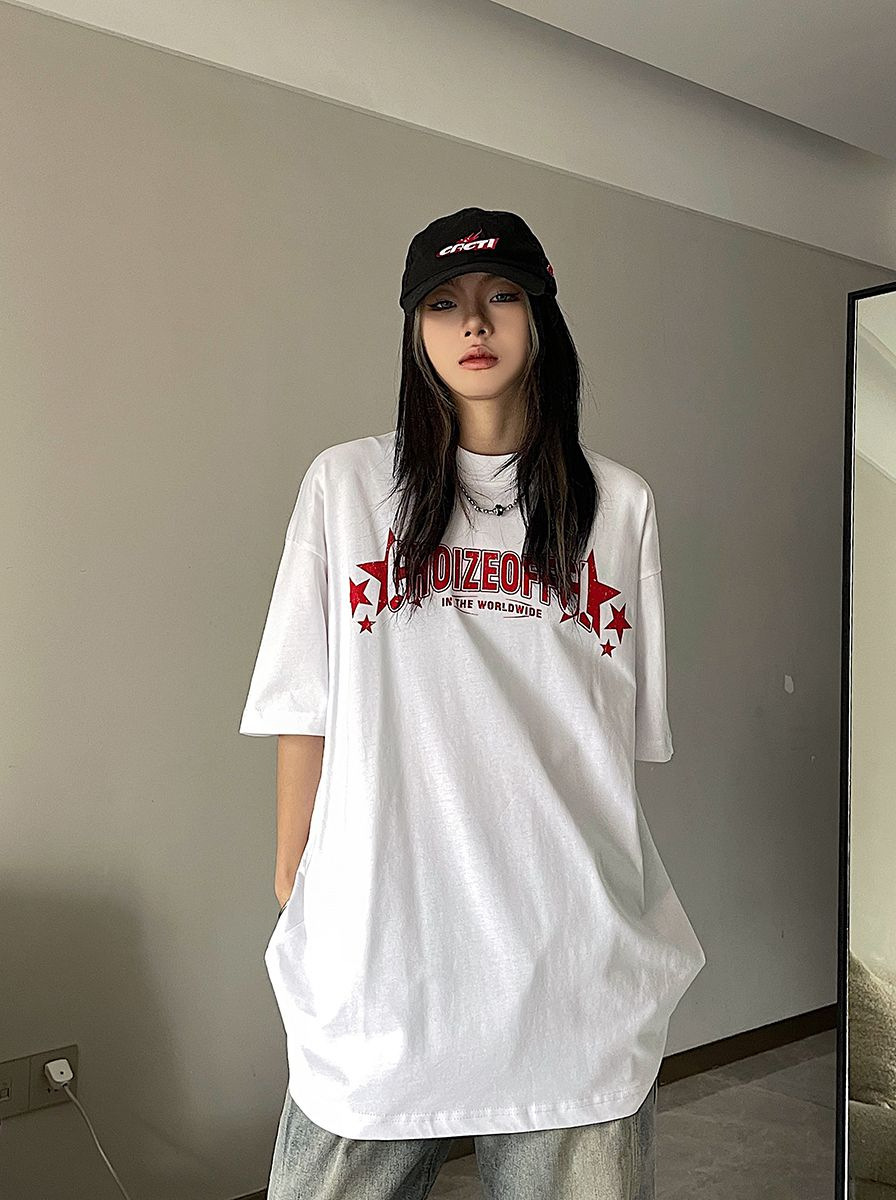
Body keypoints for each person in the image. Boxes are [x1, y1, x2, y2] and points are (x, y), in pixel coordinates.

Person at [239, 206, 706, 1198]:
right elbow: (302, 703)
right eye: (444, 305)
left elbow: (611, 746)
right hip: (385, 962)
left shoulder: (618, 506)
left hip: (568, 967)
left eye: (500, 296)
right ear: (416, 331)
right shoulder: (347, 488)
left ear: (541, 316)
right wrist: (296, 878)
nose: (475, 324)